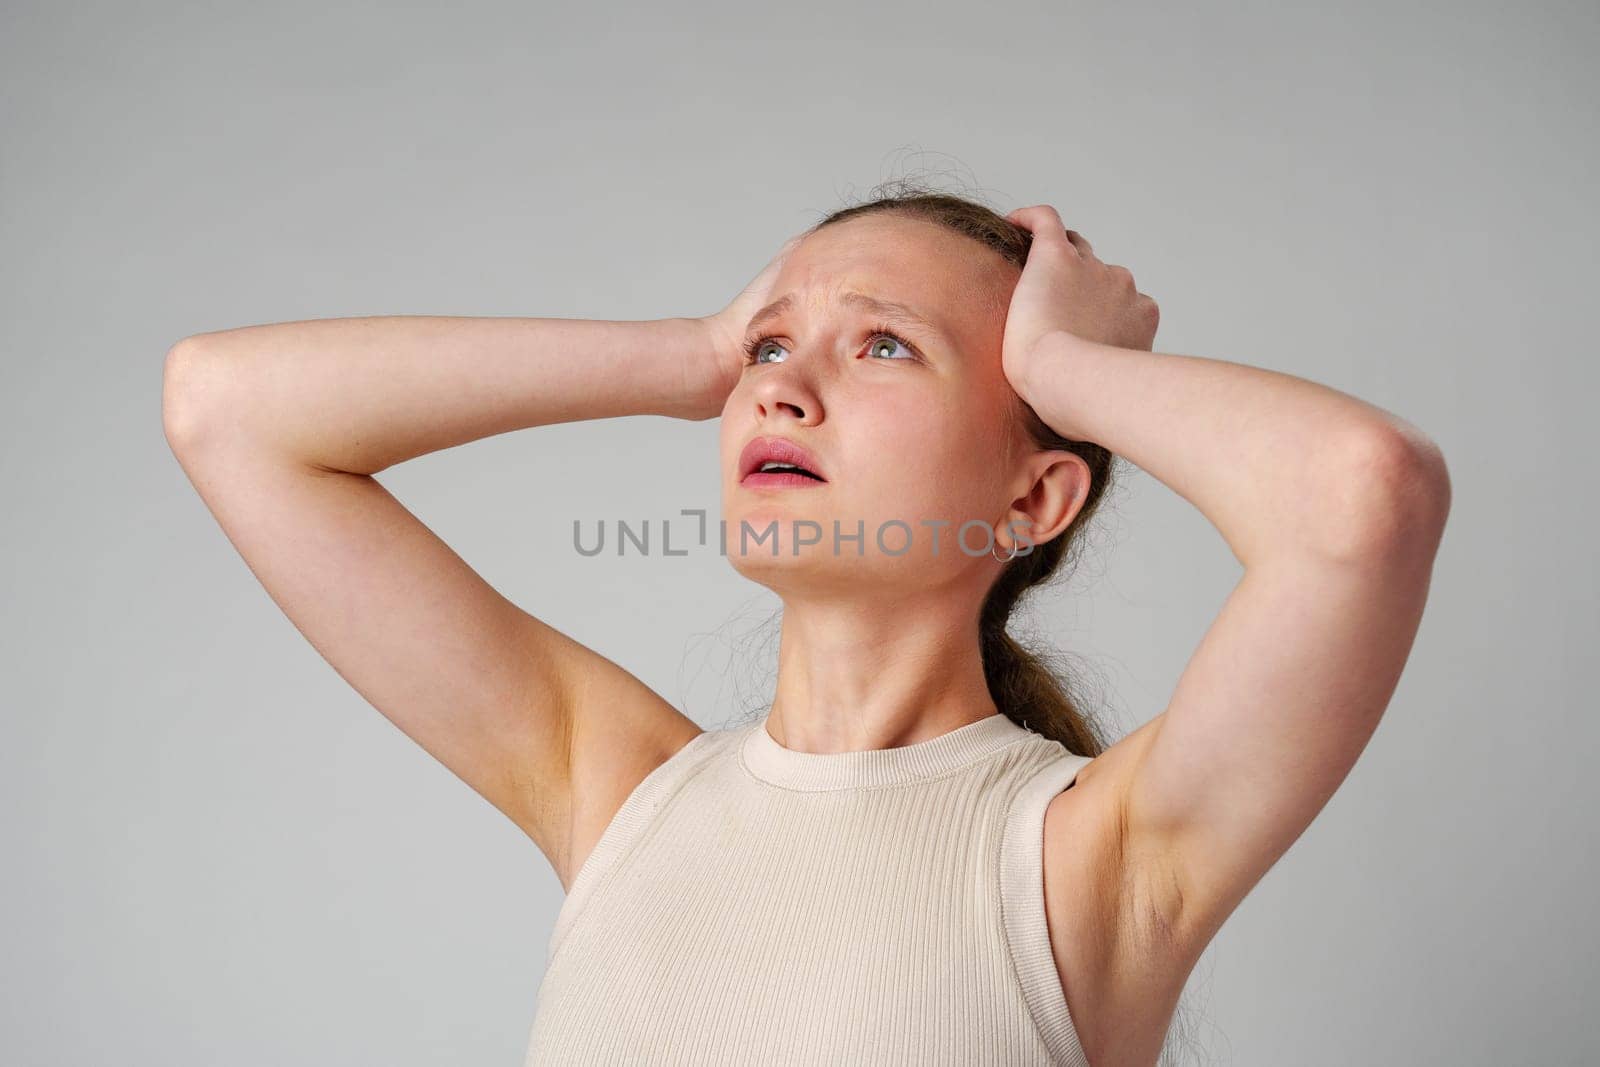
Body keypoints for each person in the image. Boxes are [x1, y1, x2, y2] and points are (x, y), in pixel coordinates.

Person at [162, 188, 1451, 1066]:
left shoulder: (1094, 851)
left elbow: (1361, 495)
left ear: (1034, 495)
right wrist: (691, 353)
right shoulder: (619, 787)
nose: (780, 384)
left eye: (885, 347)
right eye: (770, 348)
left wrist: (1065, 372)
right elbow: (227, 409)